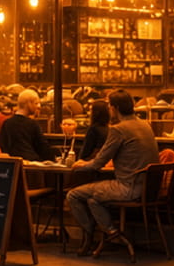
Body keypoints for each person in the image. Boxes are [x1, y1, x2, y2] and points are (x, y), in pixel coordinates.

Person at [65, 90, 158, 256]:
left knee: (73, 195)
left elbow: (97, 164)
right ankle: (111, 232)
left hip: (127, 188)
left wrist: (78, 165)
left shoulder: (118, 130)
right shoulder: (145, 125)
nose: (108, 110)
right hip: (147, 188)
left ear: (114, 108)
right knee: (93, 200)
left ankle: (91, 235)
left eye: (109, 106)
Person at [0, 89, 55, 162]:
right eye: (36, 103)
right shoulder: (33, 124)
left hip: (13, 163)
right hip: (32, 163)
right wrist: (53, 159)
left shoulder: (7, 123)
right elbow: (42, 147)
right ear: (29, 103)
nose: (38, 106)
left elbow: (2, 145)